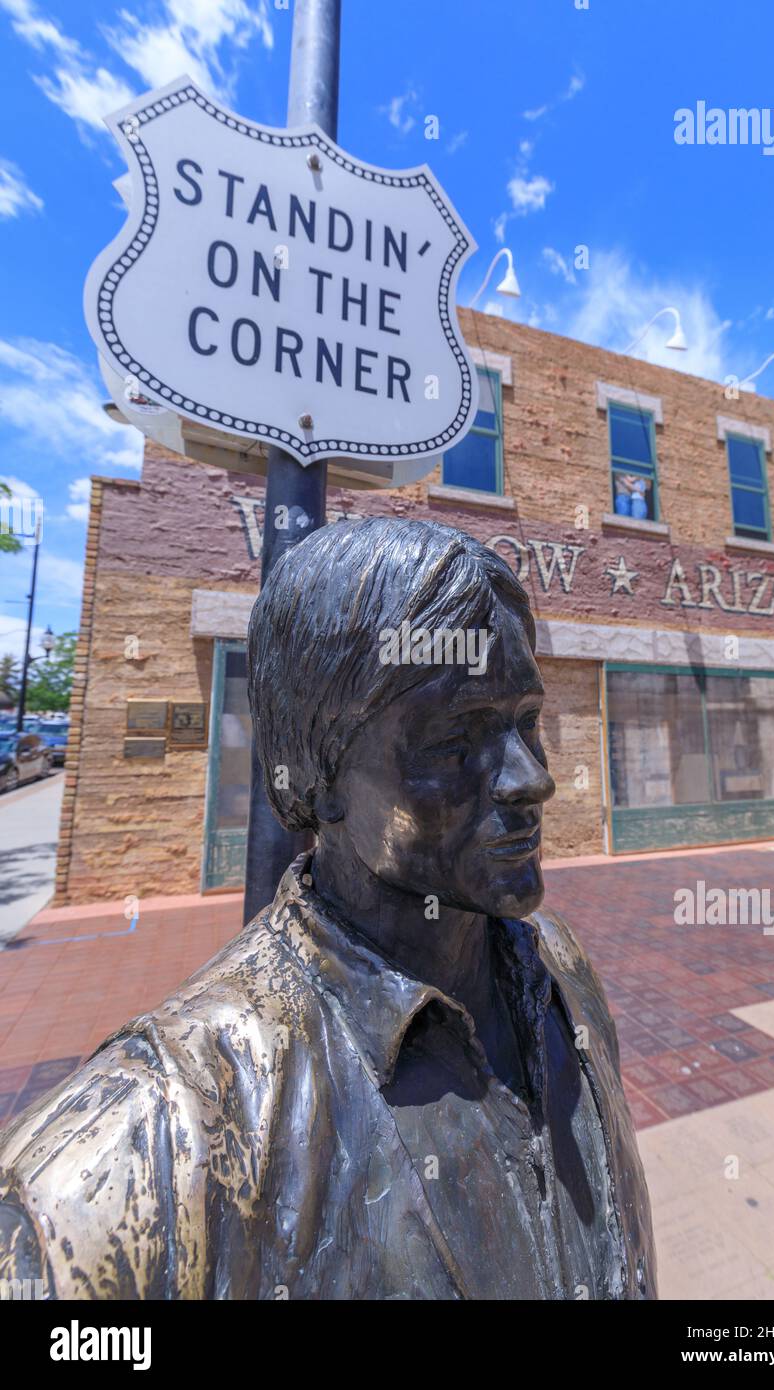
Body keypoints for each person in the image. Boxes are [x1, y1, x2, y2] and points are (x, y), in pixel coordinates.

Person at [0, 517, 655, 1300]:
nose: (531, 779)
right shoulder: (142, 1149)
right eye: (456, 740)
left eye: (525, 724)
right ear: (316, 776)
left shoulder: (560, 972)